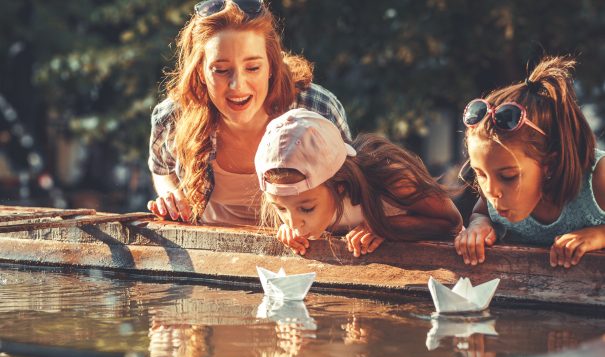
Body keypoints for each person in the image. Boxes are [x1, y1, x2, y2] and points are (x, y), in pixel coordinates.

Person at [147, 0, 351, 225]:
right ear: (201, 72)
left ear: (272, 65)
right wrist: (172, 196)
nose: (237, 85)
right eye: (221, 70)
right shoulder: (173, 117)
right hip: (209, 249)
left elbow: (354, 185)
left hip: (305, 250)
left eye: (253, 68)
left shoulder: (317, 109)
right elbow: (161, 168)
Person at [454, 56, 605, 268]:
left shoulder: (597, 178)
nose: (491, 191)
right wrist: (479, 224)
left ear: (550, 165)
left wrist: (600, 234)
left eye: (508, 176)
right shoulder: (495, 191)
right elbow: (481, 211)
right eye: (480, 173)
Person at [255, 108, 463, 257]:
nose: (294, 223)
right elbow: (293, 218)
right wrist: (287, 232)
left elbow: (453, 222)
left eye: (307, 208)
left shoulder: (392, 180)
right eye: (281, 208)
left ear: (340, 186)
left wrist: (384, 226)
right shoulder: (297, 208)